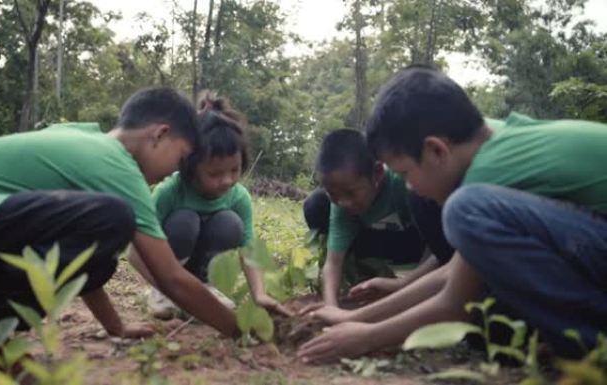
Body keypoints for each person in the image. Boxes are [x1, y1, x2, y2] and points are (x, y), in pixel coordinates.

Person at [297, 65, 607, 363]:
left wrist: (366, 335)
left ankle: (594, 345)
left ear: (436, 151)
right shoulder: (489, 141)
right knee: (487, 323)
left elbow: (453, 302)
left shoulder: (487, 174)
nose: (410, 187)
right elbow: (455, 273)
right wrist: (352, 316)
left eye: (405, 173)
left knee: (463, 210)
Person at [0, 87, 240, 339]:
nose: (176, 169)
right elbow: (170, 277)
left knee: (99, 259)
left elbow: (78, 263)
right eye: (181, 156)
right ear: (159, 135)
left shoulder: (83, 137)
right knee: (115, 217)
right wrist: (242, 328)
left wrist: (116, 326)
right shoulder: (117, 165)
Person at [129, 92, 291, 318]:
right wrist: (163, 284)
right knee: (185, 221)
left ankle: (207, 286)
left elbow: (249, 250)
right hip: (167, 271)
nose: (226, 180)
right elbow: (135, 250)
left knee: (230, 223)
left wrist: (260, 294)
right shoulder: (170, 192)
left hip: (202, 268)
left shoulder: (238, 197)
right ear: (189, 166)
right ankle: (162, 294)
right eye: (214, 173)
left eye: (234, 170)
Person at [301, 129, 449, 310]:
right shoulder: (340, 201)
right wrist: (331, 306)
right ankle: (365, 272)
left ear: (378, 173)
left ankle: (417, 276)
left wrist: (405, 284)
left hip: (417, 241)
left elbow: (442, 248)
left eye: (351, 192)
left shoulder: (405, 182)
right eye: (333, 194)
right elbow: (333, 262)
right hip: (379, 240)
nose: (343, 202)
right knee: (315, 204)